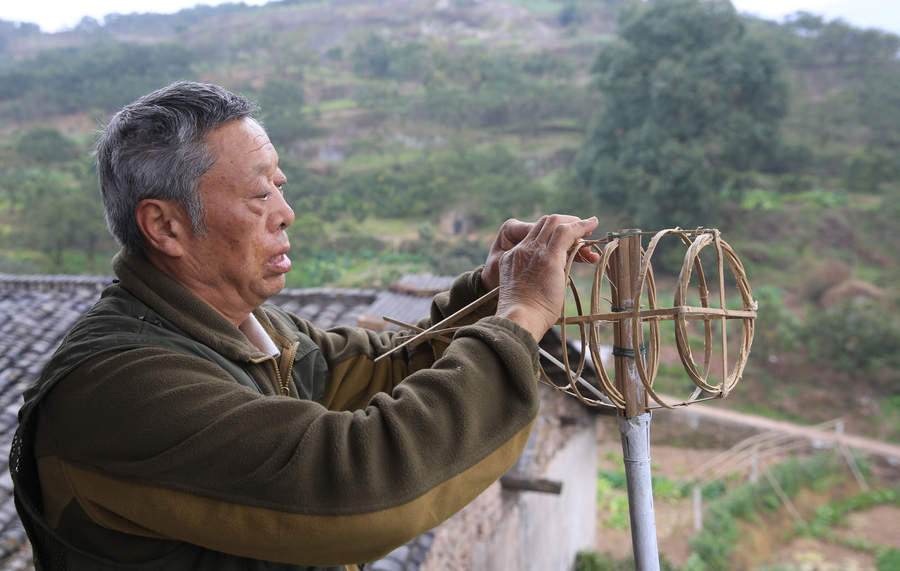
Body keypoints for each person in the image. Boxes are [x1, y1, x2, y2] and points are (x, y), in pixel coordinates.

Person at [11, 81, 599, 571]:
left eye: (280, 186)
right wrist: (522, 315)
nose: (285, 213)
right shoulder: (122, 388)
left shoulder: (249, 331)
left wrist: (488, 294)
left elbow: (387, 369)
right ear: (165, 227)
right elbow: (360, 489)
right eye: (258, 194)